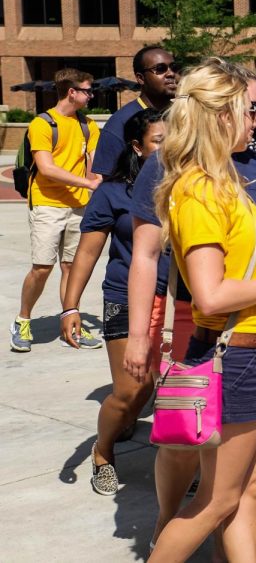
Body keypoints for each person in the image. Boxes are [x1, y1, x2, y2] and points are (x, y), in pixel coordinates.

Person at [132, 58, 256, 562]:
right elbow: (210, 296)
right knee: (215, 501)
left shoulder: (227, 181)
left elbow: (236, 268)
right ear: (217, 116)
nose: (255, 120)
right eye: (246, 110)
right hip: (238, 354)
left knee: (247, 489)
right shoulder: (199, 188)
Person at [60, 108, 165, 495]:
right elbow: (86, 254)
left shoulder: (186, 188)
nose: (166, 149)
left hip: (176, 301)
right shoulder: (112, 192)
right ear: (137, 147)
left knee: (170, 389)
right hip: (125, 296)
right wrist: (71, 306)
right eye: (158, 141)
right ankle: (102, 452)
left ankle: (181, 464)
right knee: (131, 390)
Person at [10, 68, 102, 353]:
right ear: (71, 92)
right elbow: (47, 169)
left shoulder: (89, 125)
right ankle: (22, 320)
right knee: (42, 267)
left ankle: (70, 322)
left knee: (71, 268)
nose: (91, 95)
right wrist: (87, 182)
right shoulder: (42, 123)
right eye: (87, 90)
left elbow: (93, 163)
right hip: (47, 203)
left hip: (78, 205)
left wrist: (96, 180)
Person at [91, 46, 178, 178]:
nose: (171, 73)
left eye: (174, 68)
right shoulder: (120, 122)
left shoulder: (186, 115)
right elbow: (110, 180)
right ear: (140, 78)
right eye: (160, 69)